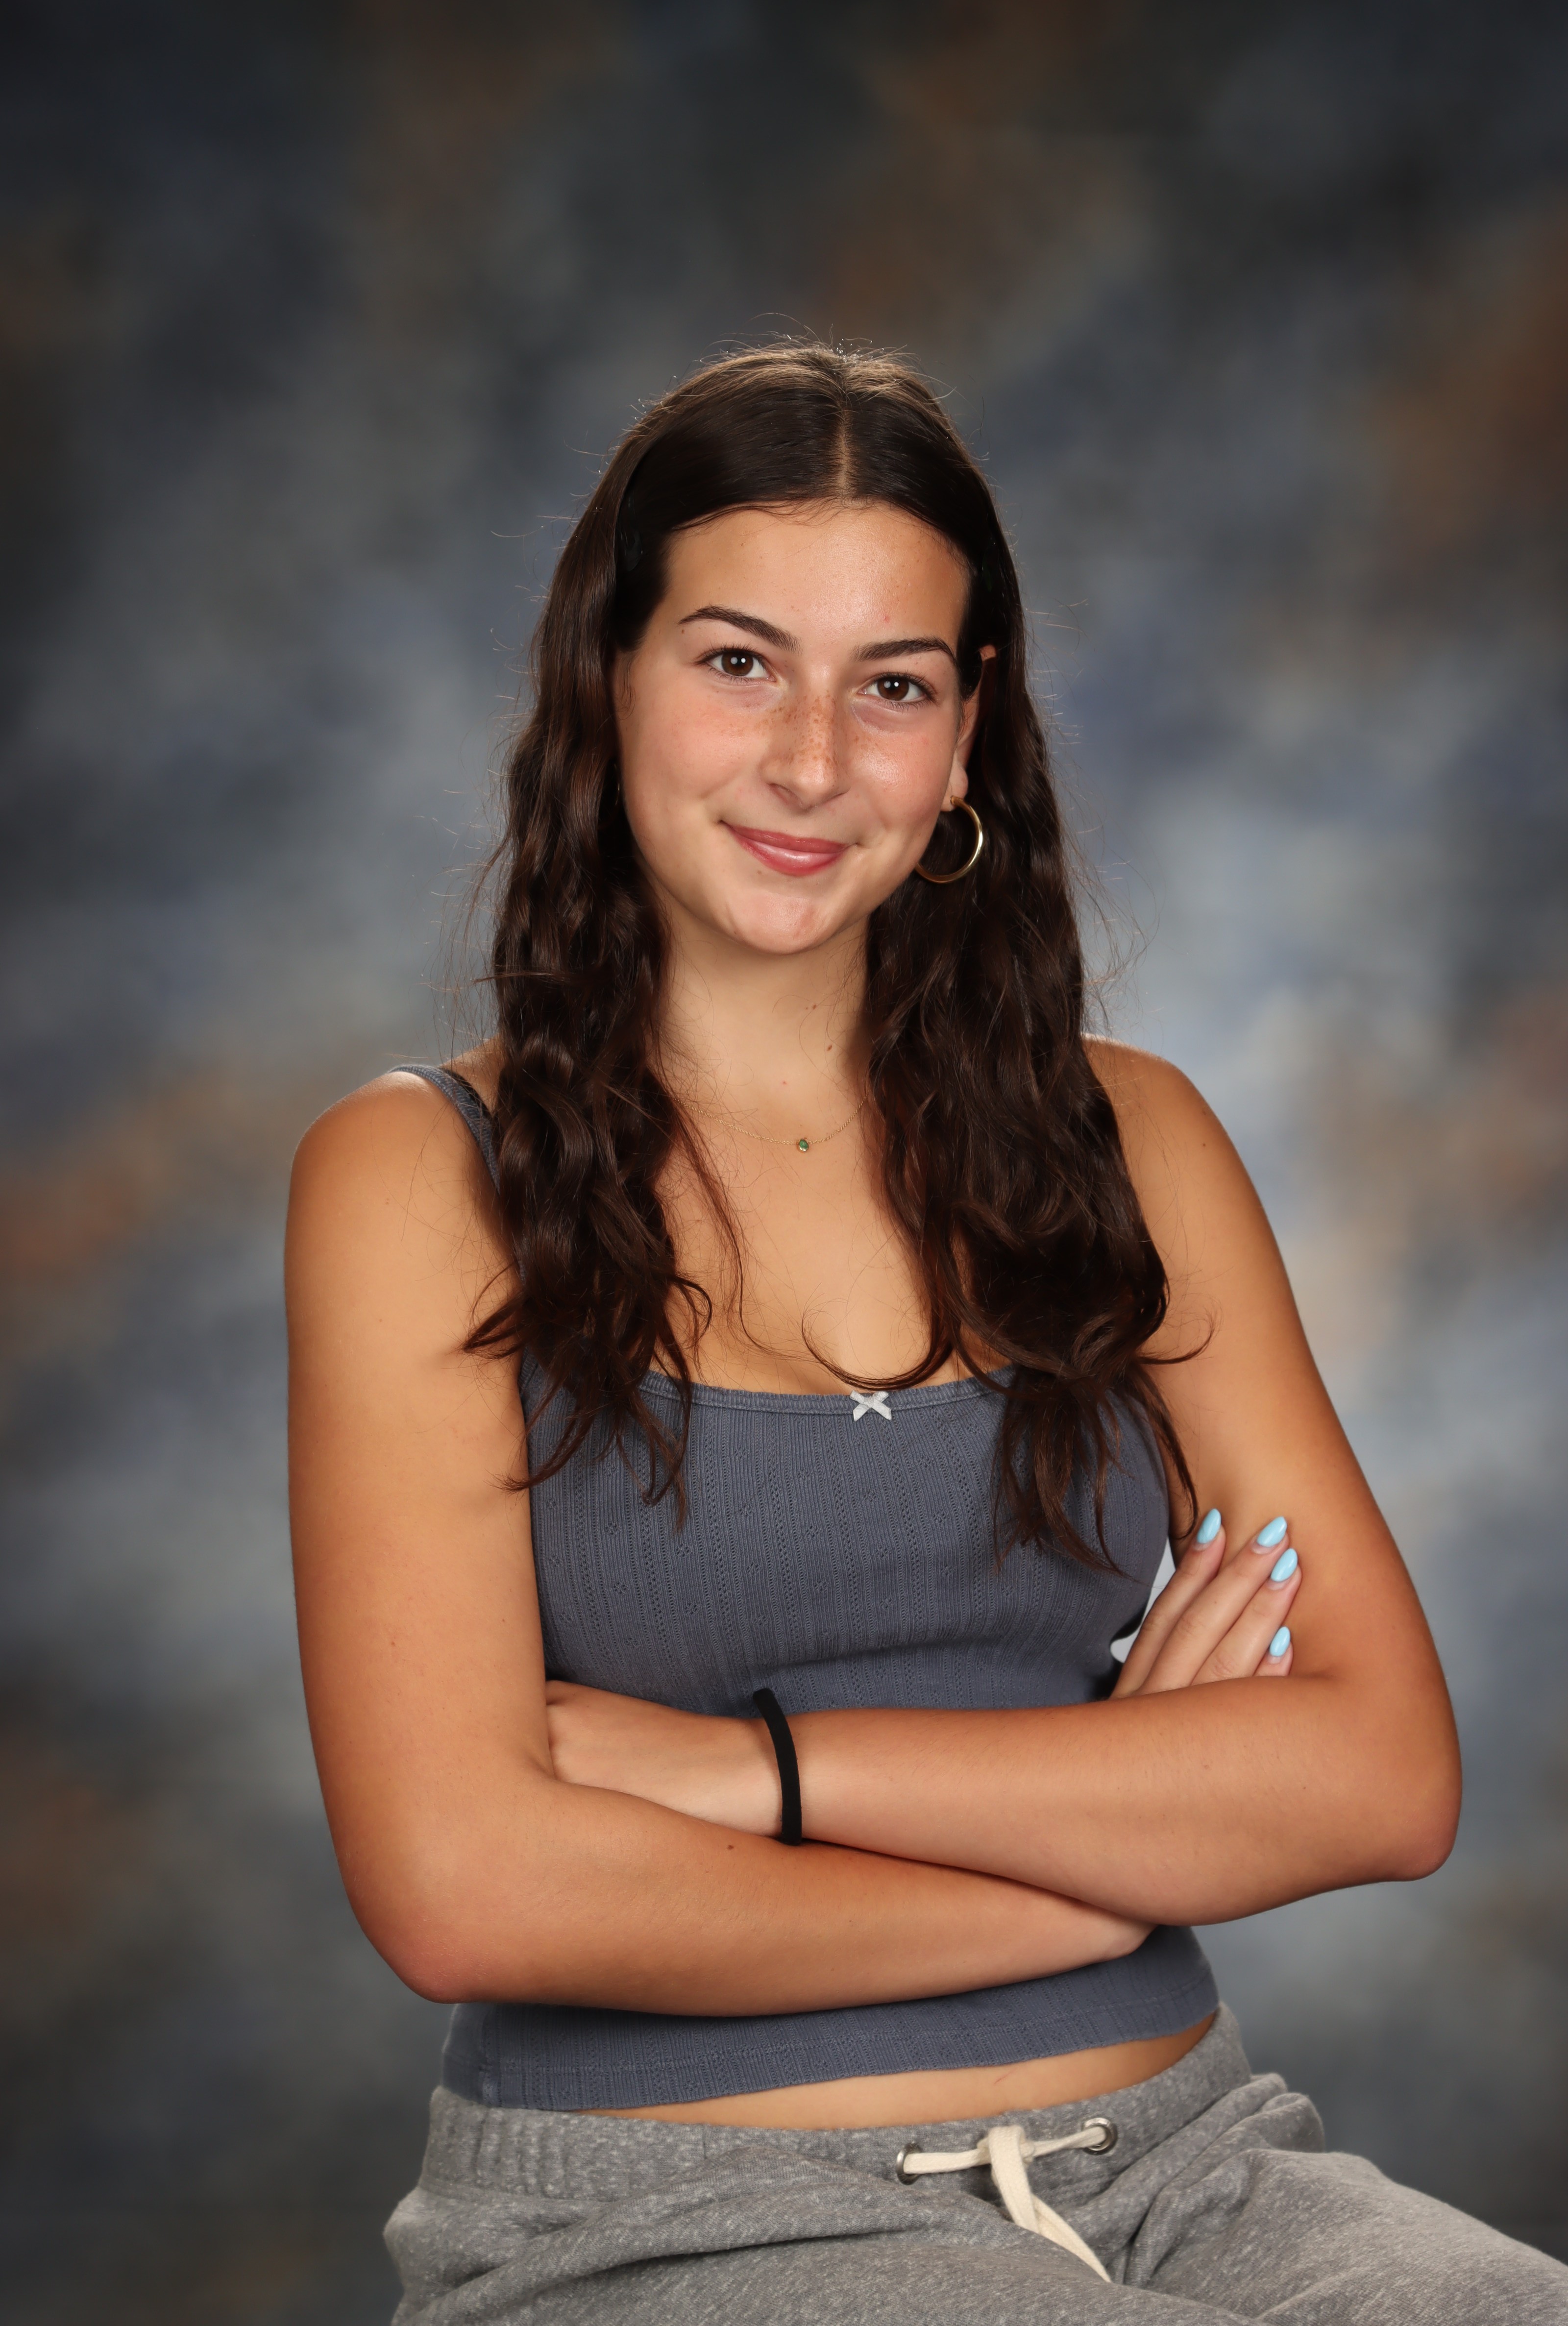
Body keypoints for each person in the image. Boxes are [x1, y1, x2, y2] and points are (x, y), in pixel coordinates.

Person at [284, 345, 1567, 2323]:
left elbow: (1382, 1775)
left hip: (1191, 2166)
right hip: (676, 2218)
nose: (810, 762)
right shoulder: (414, 1179)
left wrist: (761, 1777)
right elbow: (468, 1892)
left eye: (890, 686)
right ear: (605, 681)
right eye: (737, 663)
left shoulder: (1134, 1139)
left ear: (966, 739)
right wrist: (1108, 1847)